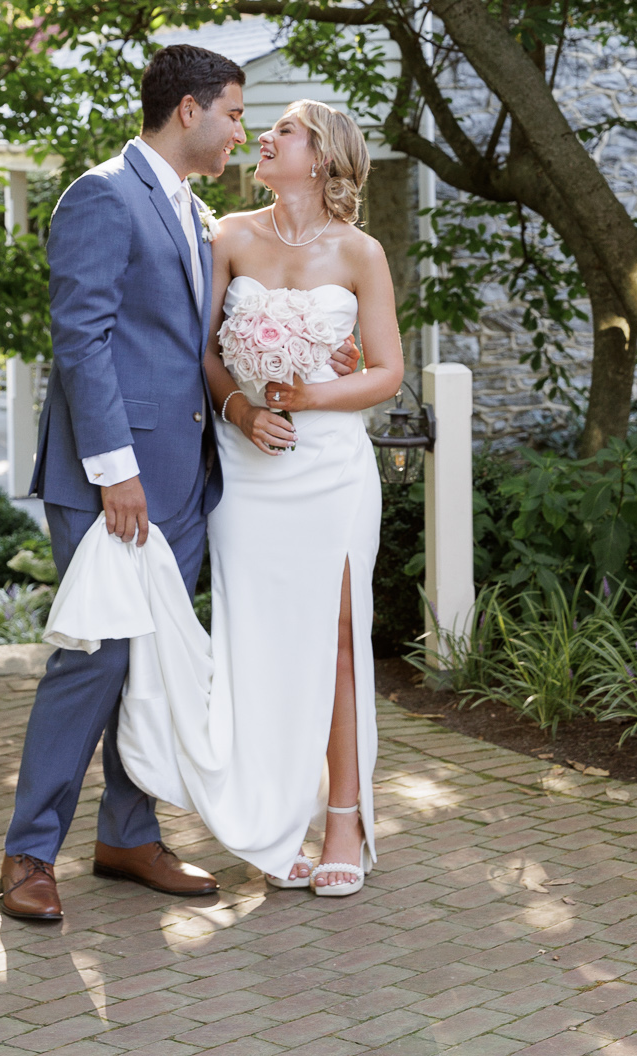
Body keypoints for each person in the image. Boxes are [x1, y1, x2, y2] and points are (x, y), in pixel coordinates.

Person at [0, 50, 360, 920]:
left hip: (192, 480)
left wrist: (315, 356)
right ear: (190, 110)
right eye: (235, 114)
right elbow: (80, 341)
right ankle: (27, 853)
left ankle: (128, 834)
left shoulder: (200, 216)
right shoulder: (101, 194)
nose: (243, 130)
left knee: (155, 659)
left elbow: (204, 344)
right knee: (96, 654)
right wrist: (115, 471)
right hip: (112, 481)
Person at [204, 100, 404, 895]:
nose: (263, 137)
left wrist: (309, 398)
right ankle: (275, 815)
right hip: (248, 464)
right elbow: (204, 353)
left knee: (340, 638)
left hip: (329, 466)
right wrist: (245, 409)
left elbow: (385, 371)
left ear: (321, 156)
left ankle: (344, 820)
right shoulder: (228, 235)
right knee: (256, 639)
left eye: (281, 130)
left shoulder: (361, 252)